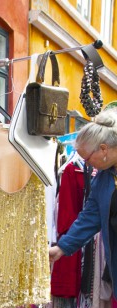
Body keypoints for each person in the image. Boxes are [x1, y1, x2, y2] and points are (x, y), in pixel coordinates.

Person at [49, 109, 117, 297]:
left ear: (103, 149)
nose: (86, 165)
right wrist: (62, 247)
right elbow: (89, 217)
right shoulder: (103, 179)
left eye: (86, 159)